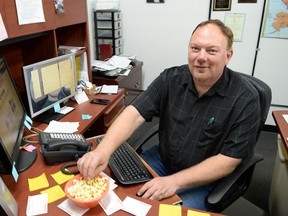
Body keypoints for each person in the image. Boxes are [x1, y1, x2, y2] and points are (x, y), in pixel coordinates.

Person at [77, 19, 260, 210]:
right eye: (195, 48)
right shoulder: (171, 78)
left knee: (161, 212)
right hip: (162, 160)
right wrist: (102, 151)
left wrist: (173, 182)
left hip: (204, 179)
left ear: (228, 56)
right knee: (115, 195)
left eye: (211, 51)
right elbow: (134, 113)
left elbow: (228, 161)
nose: (201, 57)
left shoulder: (245, 98)